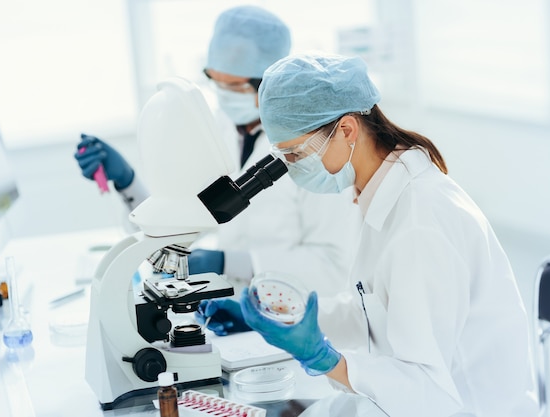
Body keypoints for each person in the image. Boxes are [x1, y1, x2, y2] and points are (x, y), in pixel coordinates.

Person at [202, 52, 539, 416]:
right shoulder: (382, 193)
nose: (294, 170)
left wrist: (324, 358)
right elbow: (376, 310)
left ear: (347, 130)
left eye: (296, 155)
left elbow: (427, 390)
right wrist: (285, 317)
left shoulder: (420, 224)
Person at [73, 7, 360, 331]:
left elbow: (335, 268)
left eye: (235, 87)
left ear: (271, 79)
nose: (224, 95)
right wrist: (126, 181)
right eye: (215, 82)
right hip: (233, 312)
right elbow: (181, 220)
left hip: (301, 322)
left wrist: (233, 262)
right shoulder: (219, 131)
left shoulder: (317, 147)